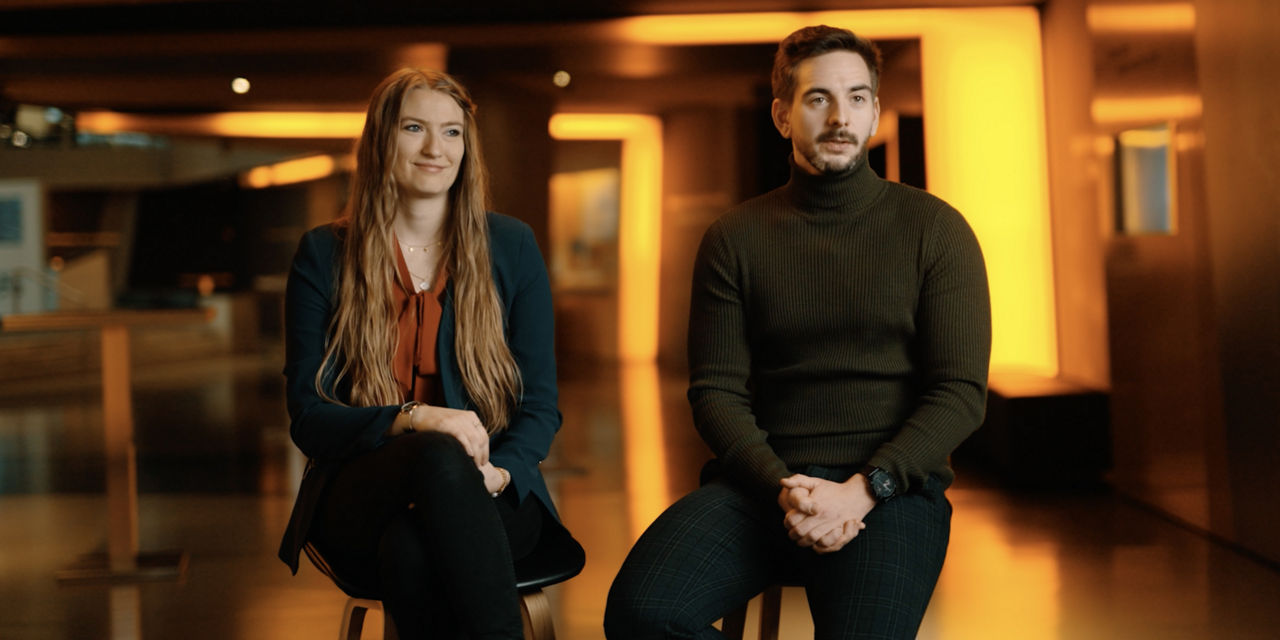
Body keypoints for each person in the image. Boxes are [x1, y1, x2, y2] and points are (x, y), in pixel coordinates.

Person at [605, 25, 991, 639]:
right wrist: (784, 489)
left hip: (889, 494)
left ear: (875, 114)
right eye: (819, 99)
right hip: (762, 486)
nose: (841, 116)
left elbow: (959, 392)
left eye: (858, 98)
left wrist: (865, 488)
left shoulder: (936, 231)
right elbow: (715, 393)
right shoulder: (735, 237)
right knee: (642, 612)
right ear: (783, 116)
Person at [276, 68, 566, 640]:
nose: (436, 148)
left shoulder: (511, 247)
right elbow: (309, 418)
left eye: (452, 132)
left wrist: (499, 473)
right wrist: (418, 418)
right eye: (415, 128)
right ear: (383, 140)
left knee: (411, 550)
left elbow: (540, 408)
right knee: (435, 454)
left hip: (495, 490)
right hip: (364, 492)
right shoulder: (323, 255)